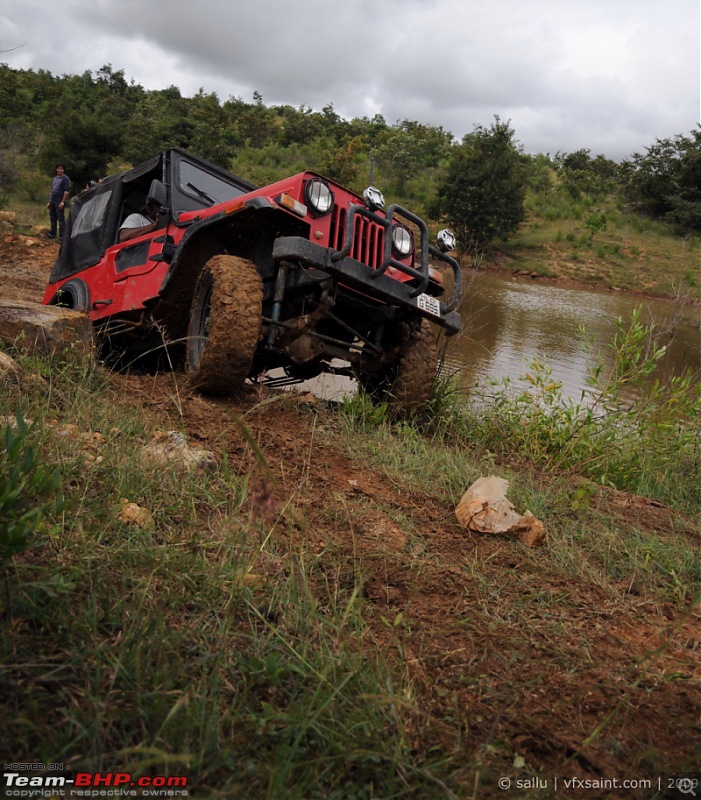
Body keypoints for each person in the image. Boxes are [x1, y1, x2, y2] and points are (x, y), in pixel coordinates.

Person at [46, 163, 71, 240]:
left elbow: (66, 191)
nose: (60, 170)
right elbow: (52, 190)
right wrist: (49, 201)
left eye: (61, 169)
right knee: (52, 217)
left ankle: (62, 236)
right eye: (58, 168)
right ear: (56, 169)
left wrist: (62, 202)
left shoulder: (66, 179)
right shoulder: (55, 178)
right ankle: (52, 233)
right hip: (53, 200)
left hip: (59, 201)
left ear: (63, 170)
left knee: (61, 219)